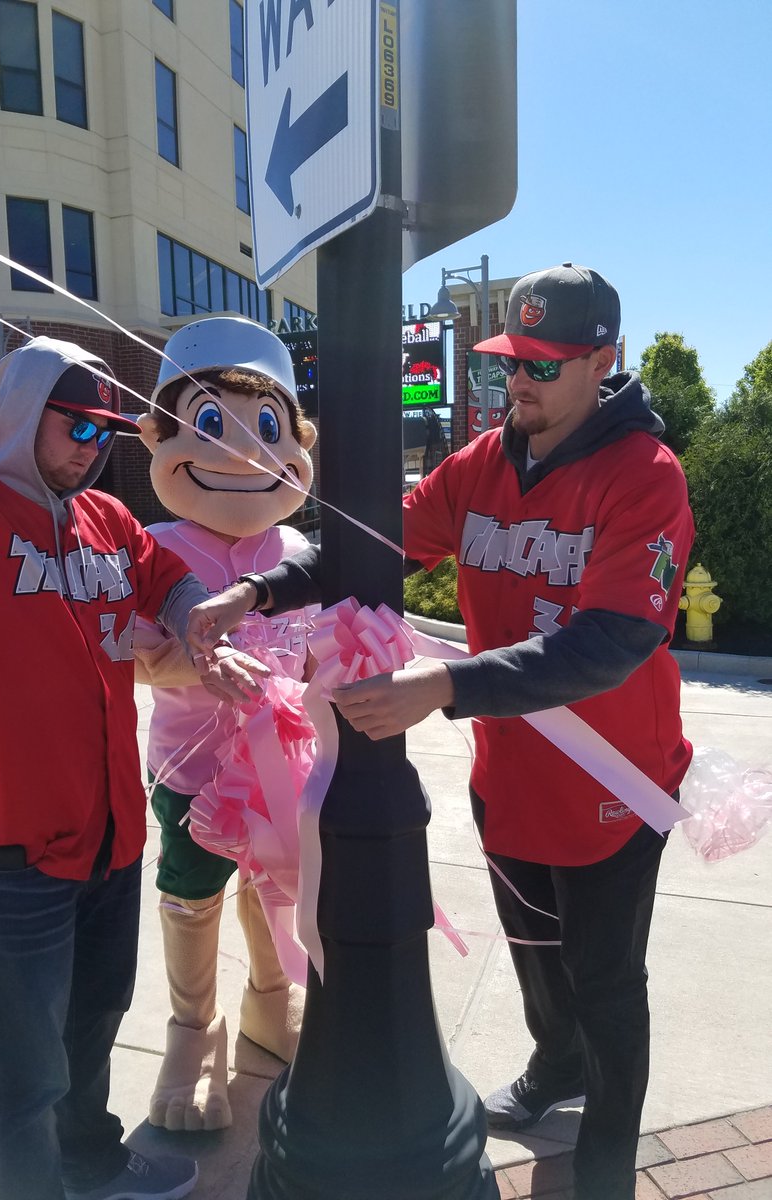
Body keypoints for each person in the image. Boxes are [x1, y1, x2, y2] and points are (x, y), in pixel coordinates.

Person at [185, 264, 695, 1200]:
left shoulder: (645, 476)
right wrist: (257, 588)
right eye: (511, 366)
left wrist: (444, 685)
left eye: (545, 366)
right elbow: (367, 540)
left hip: (612, 781)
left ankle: (609, 1156)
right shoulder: (484, 464)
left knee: (607, 980)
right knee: (536, 950)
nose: (520, 387)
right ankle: (554, 1068)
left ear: (603, 363)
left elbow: (614, 642)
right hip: (509, 770)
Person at [0, 226, 263, 1200]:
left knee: (93, 1031)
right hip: (13, 859)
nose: (93, 450)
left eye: (102, 431)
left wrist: (193, 611)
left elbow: (162, 571)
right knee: (22, 1078)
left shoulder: (109, 519)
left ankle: (93, 1167)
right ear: (21, 414)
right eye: (75, 427)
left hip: (113, 842)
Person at [132, 316, 316, 1132]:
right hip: (189, 768)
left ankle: (270, 1007)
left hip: (286, 766)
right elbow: (135, 655)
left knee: (276, 886)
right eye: (212, 424)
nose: (243, 451)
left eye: (267, 427)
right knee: (193, 892)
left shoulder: (298, 549)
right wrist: (211, 655)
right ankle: (190, 1034)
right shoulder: (154, 545)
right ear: (159, 437)